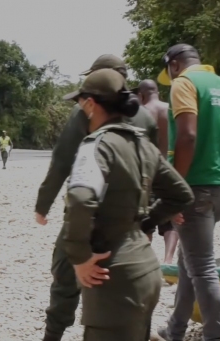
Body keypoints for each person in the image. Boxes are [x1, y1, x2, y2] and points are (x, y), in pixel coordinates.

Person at [56, 69, 194, 340]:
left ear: (91, 104)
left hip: (114, 278)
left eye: (80, 103)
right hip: (146, 268)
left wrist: (80, 257)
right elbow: (181, 194)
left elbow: (81, 200)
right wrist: (145, 222)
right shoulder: (142, 145)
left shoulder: (96, 146)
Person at [35, 54, 161, 341]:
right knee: (127, 281)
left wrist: (43, 204)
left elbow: (62, 160)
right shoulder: (145, 117)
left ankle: (53, 334)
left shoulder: (87, 112)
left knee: (67, 273)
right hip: (130, 222)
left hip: (86, 212)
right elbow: (155, 173)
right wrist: (149, 222)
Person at [154, 44, 220, 341]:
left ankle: (216, 336)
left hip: (194, 189)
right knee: (190, 258)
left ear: (174, 65)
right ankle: (175, 328)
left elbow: (187, 136)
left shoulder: (184, 84)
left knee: (201, 265)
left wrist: (176, 190)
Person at [133, 79, 178, 264]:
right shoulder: (172, 109)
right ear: (157, 91)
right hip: (170, 167)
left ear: (141, 95)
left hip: (149, 170)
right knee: (171, 221)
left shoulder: (142, 112)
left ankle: (146, 261)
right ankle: (168, 261)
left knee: (146, 219)